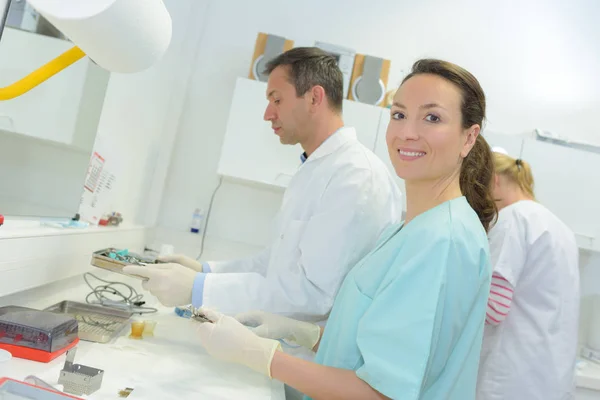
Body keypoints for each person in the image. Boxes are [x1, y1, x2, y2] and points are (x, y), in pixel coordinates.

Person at [193, 58, 497, 400]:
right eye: (398, 114)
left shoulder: (442, 240)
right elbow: (376, 344)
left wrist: (261, 356)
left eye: (432, 118)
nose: (407, 131)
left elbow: (383, 392)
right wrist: (305, 334)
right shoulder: (410, 229)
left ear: (469, 138)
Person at [124, 47, 402, 320]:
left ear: (315, 98)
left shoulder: (355, 177)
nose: (267, 114)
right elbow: (274, 264)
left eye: (276, 100)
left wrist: (198, 288)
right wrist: (203, 270)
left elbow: (315, 296)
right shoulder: (316, 169)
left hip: (313, 358)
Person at [476, 152, 580, 400]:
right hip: (550, 380)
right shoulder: (560, 228)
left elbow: (493, 308)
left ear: (495, 181)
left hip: (511, 380)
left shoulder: (513, 220)